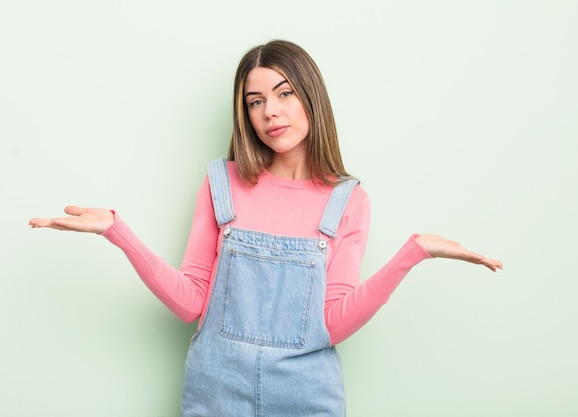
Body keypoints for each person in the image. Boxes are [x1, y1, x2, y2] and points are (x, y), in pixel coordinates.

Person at [29, 40, 502, 416]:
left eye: (284, 93)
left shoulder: (348, 200)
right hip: (216, 394)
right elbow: (192, 302)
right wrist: (118, 231)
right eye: (255, 101)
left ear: (310, 95)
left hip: (306, 398)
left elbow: (330, 325)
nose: (270, 112)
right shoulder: (222, 183)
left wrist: (414, 252)